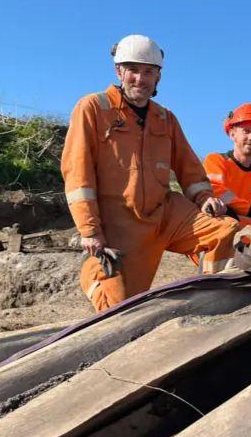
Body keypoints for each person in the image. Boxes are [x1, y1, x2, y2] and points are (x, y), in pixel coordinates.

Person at [61, 34, 239, 312]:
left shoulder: (165, 119)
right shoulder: (93, 108)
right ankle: (94, 272)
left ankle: (214, 302)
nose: (140, 79)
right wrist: (90, 230)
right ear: (119, 71)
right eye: (133, 70)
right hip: (119, 224)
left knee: (224, 230)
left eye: (148, 72)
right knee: (118, 308)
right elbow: (77, 173)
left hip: (165, 214)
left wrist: (204, 196)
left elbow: (188, 167)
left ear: (158, 77)